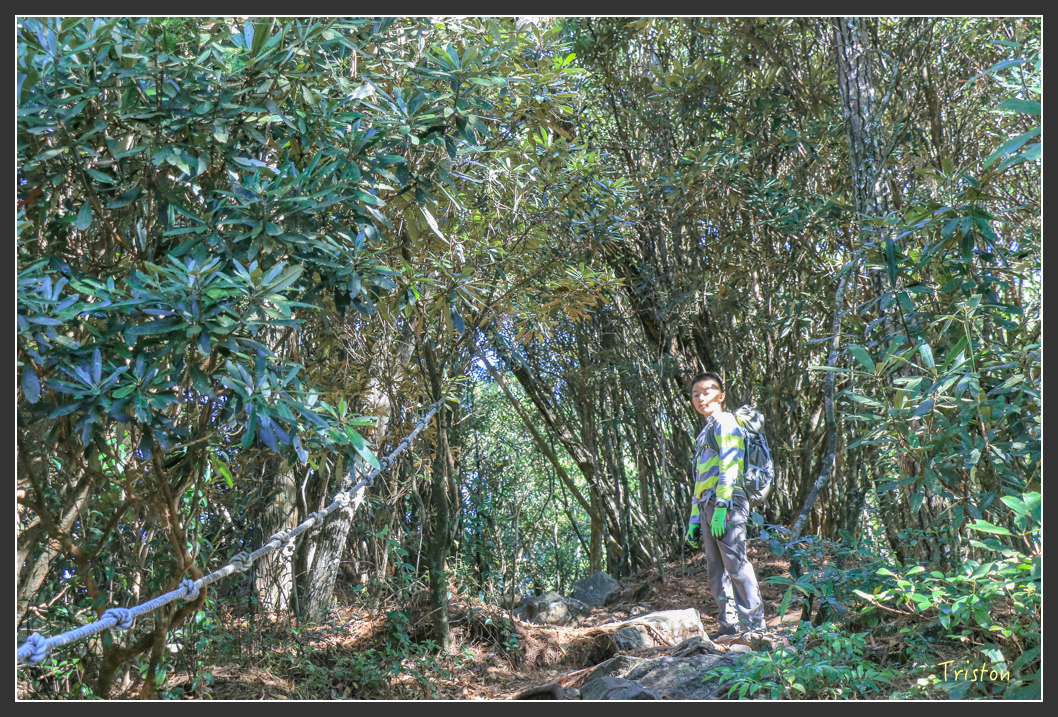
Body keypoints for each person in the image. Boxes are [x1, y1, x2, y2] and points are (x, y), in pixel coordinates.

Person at [684, 371, 766, 637]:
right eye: (695, 394)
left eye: (706, 392)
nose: (700, 398)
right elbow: (701, 478)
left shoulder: (725, 421)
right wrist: (695, 520)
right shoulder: (706, 430)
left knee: (737, 565)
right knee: (715, 571)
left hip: (727, 503)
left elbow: (730, 463)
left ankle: (755, 628)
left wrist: (722, 506)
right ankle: (729, 627)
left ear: (721, 396)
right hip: (708, 505)